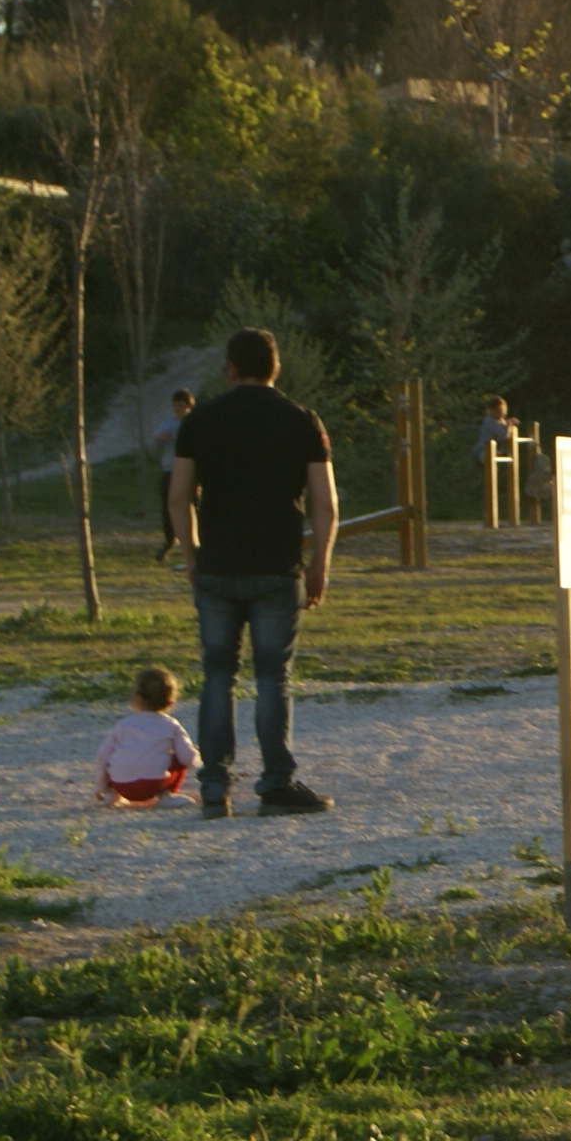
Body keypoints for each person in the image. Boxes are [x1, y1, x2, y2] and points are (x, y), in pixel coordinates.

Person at [170, 327, 338, 817]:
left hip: (218, 565)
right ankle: (275, 782)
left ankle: (216, 788)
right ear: (276, 369)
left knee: (218, 675)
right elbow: (325, 504)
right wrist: (319, 564)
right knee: (272, 678)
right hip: (275, 566)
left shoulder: (200, 420)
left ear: (230, 369)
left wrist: (191, 555)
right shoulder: (302, 421)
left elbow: (179, 496)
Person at [94, 665, 201, 808]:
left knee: (115, 756)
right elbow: (187, 758)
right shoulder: (171, 725)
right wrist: (197, 755)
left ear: (136, 698)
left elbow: (103, 756)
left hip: (121, 785)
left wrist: (102, 787)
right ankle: (167, 796)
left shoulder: (123, 725)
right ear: (171, 702)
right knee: (177, 756)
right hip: (154, 785)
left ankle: (113, 795)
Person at [151, 388, 195, 563]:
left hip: (191, 472)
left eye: (182, 405)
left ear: (189, 406)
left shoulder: (193, 424)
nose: (178, 409)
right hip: (170, 470)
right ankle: (169, 541)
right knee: (168, 507)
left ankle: (195, 544)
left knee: (192, 507)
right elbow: (152, 449)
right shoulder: (168, 425)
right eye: (175, 405)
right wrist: (159, 440)